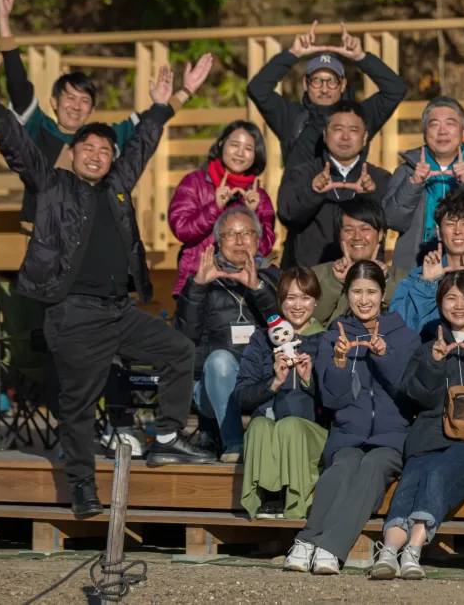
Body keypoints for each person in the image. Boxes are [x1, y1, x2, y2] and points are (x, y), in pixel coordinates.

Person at [0, 54, 216, 519]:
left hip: (120, 310)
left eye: (105, 150)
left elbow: (143, 143)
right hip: (74, 313)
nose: (96, 155)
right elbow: (18, 150)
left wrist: (167, 104)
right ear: (72, 152)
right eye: (88, 148)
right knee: (78, 404)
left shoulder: (118, 186)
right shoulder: (52, 186)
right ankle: (83, 488)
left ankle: (167, 436)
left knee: (178, 351)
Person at [0, 0, 168, 228]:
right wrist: (3, 25)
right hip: (42, 234)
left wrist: (181, 93)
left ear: (92, 109)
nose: (76, 106)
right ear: (54, 102)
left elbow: (151, 124)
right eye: (70, 98)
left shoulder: (102, 140)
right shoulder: (39, 128)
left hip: (88, 232)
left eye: (84, 100)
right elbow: (17, 85)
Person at [283, 261, 421, 574]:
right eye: (356, 291)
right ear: (347, 294)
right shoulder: (334, 337)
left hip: (392, 438)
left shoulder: (406, 337)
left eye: (371, 291)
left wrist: (384, 356)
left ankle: (329, 547)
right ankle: (307, 541)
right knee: (341, 469)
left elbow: (409, 391)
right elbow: (332, 399)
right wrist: (341, 362)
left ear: (383, 293)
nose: (364, 299)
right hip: (346, 434)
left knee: (372, 468)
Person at [370, 271, 464, 580]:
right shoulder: (428, 341)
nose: (459, 306)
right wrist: (433, 363)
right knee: (413, 476)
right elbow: (418, 397)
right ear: (440, 303)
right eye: (451, 298)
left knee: (438, 472)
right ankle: (390, 551)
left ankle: (414, 550)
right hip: (432, 432)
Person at [173, 206, 281, 463]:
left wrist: (257, 287)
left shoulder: (273, 277)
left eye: (247, 233)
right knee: (220, 360)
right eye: (231, 234)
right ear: (219, 242)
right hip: (210, 389)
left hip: (263, 382)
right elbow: (183, 337)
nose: (240, 240)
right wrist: (198, 287)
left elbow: (285, 327)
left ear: (258, 239)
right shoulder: (202, 281)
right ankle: (234, 443)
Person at [234, 266, 329, 520]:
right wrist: (274, 383)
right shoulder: (262, 340)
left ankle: (294, 495)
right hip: (272, 431)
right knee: (259, 426)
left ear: (316, 300)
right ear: (280, 301)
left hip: (310, 433)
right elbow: (242, 397)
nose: (298, 306)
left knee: (290, 426)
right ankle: (270, 495)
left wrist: (309, 380)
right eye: (290, 298)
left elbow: (337, 399)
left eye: (305, 297)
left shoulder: (326, 340)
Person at [247, 20, 407, 168]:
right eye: (317, 81)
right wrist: (292, 54)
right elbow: (257, 89)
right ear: (306, 84)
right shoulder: (291, 118)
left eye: (331, 81)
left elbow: (395, 89)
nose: (324, 89)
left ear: (342, 84)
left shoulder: (360, 117)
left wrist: (361, 57)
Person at [382, 96, 464, 270]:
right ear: (425, 133)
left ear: (463, 133)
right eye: (434, 124)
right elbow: (392, 220)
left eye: (450, 123)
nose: (442, 131)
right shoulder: (406, 172)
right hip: (416, 267)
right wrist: (414, 183)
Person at [275, 100, 392, 267]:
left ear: (365, 137)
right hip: (312, 278)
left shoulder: (380, 178)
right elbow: (286, 215)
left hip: (365, 279)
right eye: (337, 129)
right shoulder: (303, 174)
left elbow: (396, 222)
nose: (345, 137)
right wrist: (313, 193)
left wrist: (371, 196)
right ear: (324, 134)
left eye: (353, 130)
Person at [169, 121, 275, 296]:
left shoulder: (259, 195)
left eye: (248, 148)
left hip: (243, 285)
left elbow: (265, 248)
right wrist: (215, 207)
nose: (240, 153)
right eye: (234, 145)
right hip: (199, 281)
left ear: (256, 155)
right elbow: (181, 230)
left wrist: (253, 213)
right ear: (221, 145)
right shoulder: (195, 182)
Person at [389, 188, 464, 333]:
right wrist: (426, 284)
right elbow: (396, 328)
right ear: (439, 232)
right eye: (450, 224)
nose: (458, 230)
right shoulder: (418, 277)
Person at [312, 198, 409, 324]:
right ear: (339, 235)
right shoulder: (315, 276)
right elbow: (309, 322)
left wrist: (381, 280)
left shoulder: (402, 278)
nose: (357, 237)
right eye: (349, 230)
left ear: (380, 234)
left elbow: (405, 320)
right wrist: (335, 283)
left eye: (365, 229)